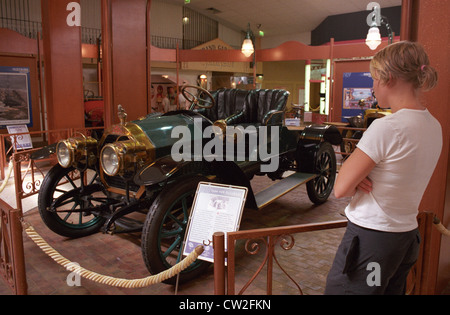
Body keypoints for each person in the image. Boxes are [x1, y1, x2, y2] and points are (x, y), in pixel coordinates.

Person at [325, 41, 442, 295]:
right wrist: (359, 176)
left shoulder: (387, 127)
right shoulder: (434, 126)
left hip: (372, 242)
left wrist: (356, 177)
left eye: (375, 78)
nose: (373, 86)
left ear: (388, 78)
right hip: (405, 239)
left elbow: (341, 188)